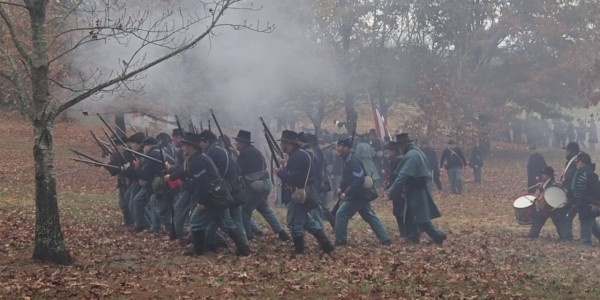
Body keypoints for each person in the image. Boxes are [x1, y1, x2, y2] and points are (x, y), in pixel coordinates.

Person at [276, 130, 334, 254]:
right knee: (307, 223)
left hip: (299, 194)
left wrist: (281, 173)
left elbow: (294, 178)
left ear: (287, 143)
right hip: (304, 192)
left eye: (283, 143)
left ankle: (299, 250)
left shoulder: (298, 156)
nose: (281, 146)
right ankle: (327, 245)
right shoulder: (299, 154)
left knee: (294, 224)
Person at [387, 133, 446, 244]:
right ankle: (413, 236)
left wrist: (392, 191)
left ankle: (437, 236)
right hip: (416, 187)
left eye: (399, 145)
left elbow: (403, 176)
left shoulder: (412, 155)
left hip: (417, 189)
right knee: (411, 213)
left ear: (403, 145)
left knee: (420, 216)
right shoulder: (414, 152)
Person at [333, 137, 391, 246]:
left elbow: (358, 180)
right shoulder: (348, 160)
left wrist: (347, 193)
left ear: (345, 148)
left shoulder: (353, 161)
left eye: (339, 146)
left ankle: (340, 241)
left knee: (341, 214)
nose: (337, 148)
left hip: (357, 195)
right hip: (358, 194)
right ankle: (385, 239)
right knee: (370, 216)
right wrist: (341, 187)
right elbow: (347, 178)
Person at [233, 130, 289, 242]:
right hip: (263, 185)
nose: (235, 144)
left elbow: (238, 170)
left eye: (237, 142)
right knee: (264, 209)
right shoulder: (253, 151)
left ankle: (248, 236)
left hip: (256, 187)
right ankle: (281, 232)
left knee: (244, 212)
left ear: (242, 143)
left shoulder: (246, 154)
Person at [527, 166, 569, 240]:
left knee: (558, 223)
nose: (543, 175)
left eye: (544, 174)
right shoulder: (544, 183)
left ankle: (564, 237)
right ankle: (533, 234)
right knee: (538, 219)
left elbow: (550, 193)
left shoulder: (553, 184)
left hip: (553, 207)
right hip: (544, 207)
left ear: (549, 175)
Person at [569, 152, 600, 245]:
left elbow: (597, 190)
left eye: (578, 161)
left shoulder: (590, 175)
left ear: (584, 163)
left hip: (588, 203)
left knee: (586, 221)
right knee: (591, 223)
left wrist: (596, 203)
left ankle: (586, 242)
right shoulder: (577, 173)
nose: (576, 163)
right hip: (580, 203)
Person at [561, 142, 582, 241]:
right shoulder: (571, 162)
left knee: (568, 215)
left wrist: (569, 196)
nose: (566, 152)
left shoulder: (576, 163)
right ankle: (566, 235)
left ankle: (567, 236)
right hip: (574, 194)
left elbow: (571, 180)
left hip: (575, 195)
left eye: (567, 151)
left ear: (572, 151)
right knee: (586, 219)